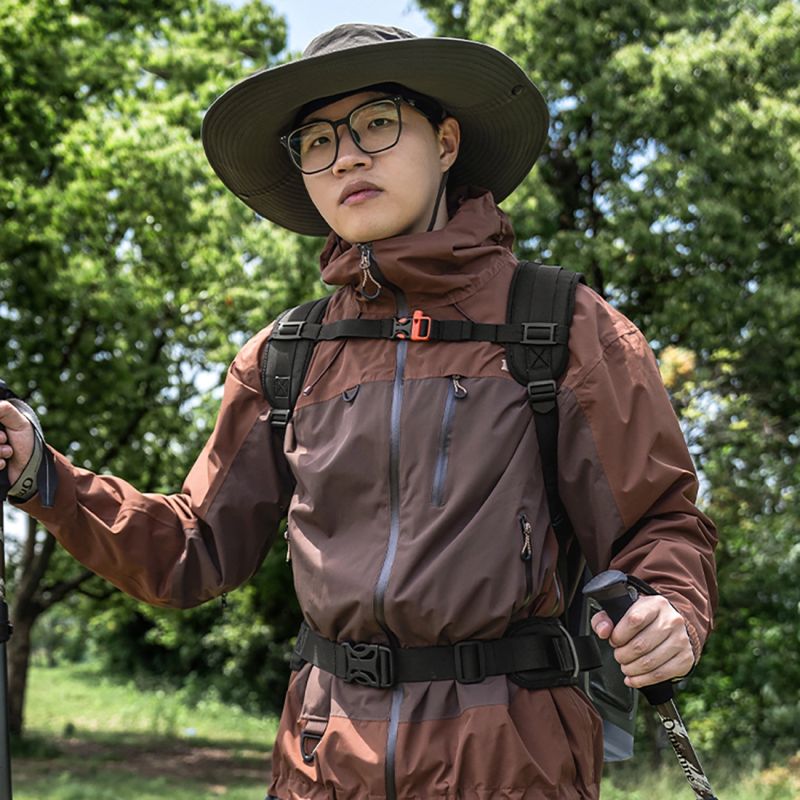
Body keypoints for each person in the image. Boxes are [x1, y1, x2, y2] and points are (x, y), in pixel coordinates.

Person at [0, 23, 717, 800]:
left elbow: (661, 522)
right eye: (317, 140)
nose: (345, 157)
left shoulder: (563, 328)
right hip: (321, 764)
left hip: (511, 764)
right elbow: (193, 549)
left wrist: (670, 610)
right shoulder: (287, 356)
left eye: (376, 123)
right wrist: (43, 476)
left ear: (446, 141)